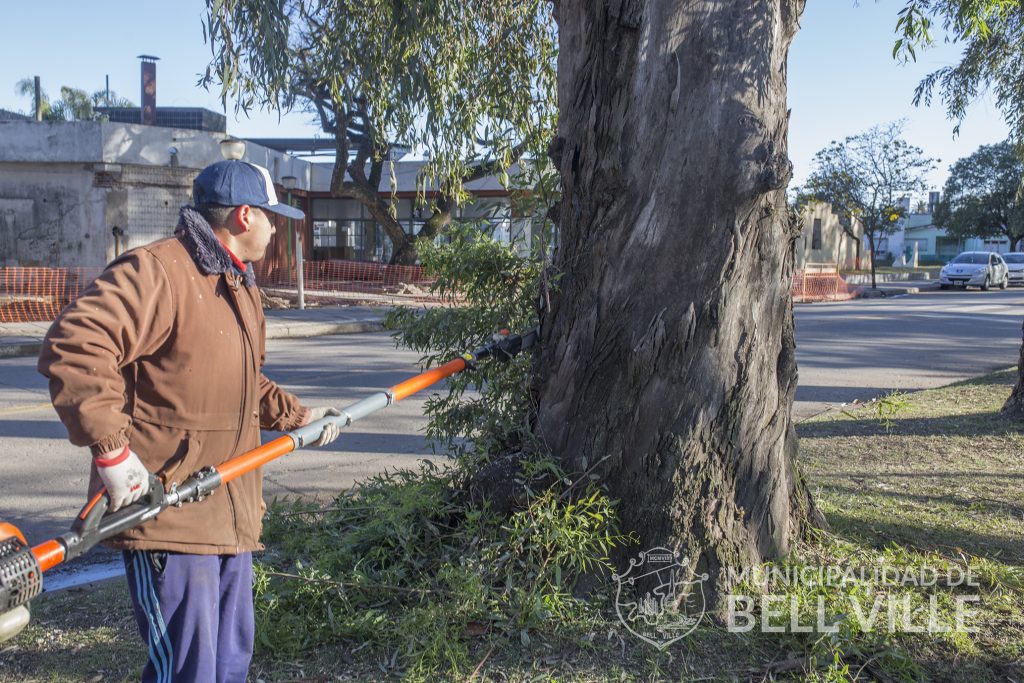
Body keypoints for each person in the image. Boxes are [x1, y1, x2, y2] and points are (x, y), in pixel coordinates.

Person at [38, 159, 342, 682]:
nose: (276, 228)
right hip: (169, 515)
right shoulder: (159, 272)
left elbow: (241, 383)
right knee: (188, 670)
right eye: (273, 217)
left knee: (229, 665)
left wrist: (300, 416)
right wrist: (113, 453)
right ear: (246, 216)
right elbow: (76, 344)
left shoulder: (237, 285)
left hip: (230, 514)